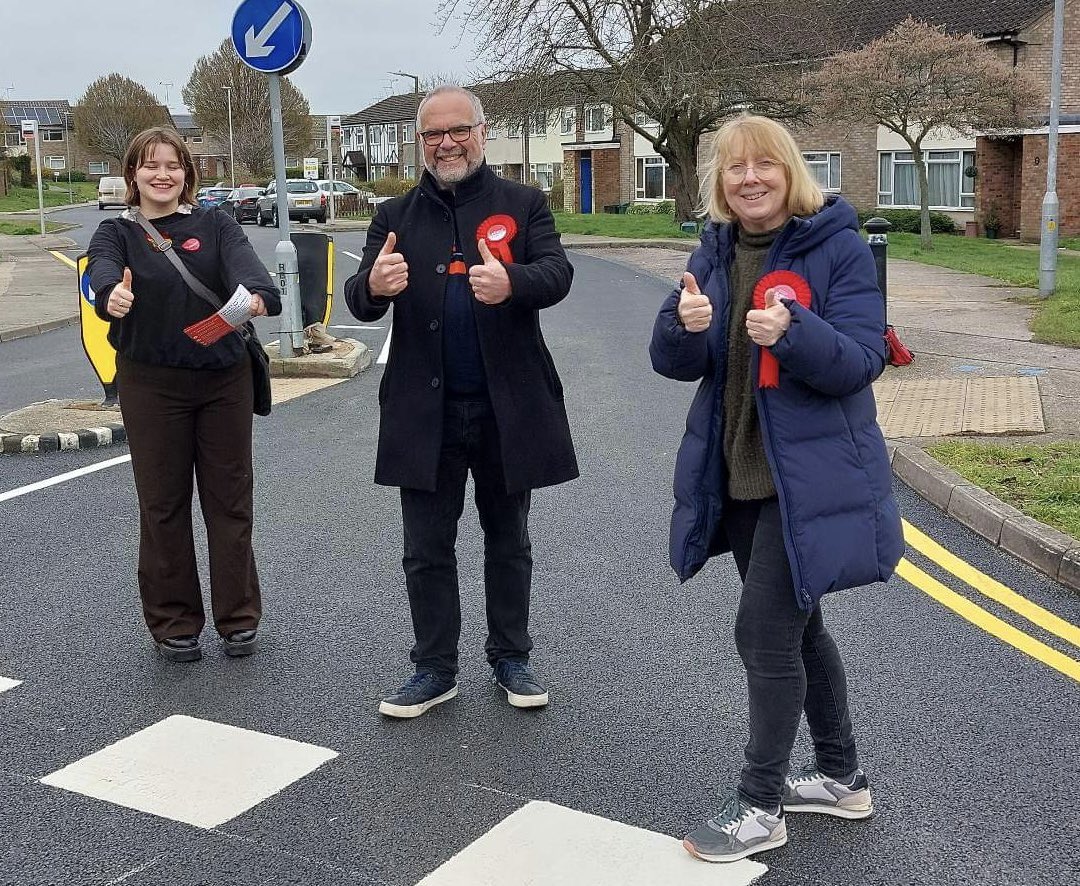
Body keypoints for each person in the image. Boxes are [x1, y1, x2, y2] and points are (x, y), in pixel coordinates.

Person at [649, 115, 904, 863]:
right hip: (738, 473)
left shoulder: (839, 247)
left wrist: (792, 334)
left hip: (807, 480)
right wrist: (683, 324)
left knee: (763, 634)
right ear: (719, 184)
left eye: (764, 164)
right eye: (735, 168)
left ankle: (761, 805)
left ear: (790, 171)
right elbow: (675, 361)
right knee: (801, 629)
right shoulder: (715, 248)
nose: (750, 178)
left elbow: (860, 360)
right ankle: (840, 777)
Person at [344, 85, 577, 719]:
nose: (446, 144)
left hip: (507, 407)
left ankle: (511, 658)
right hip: (425, 412)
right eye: (433, 134)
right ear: (419, 141)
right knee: (425, 548)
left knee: (509, 541)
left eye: (458, 131)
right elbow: (359, 300)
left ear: (481, 132)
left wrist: (514, 281)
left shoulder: (523, 204)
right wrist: (374, 284)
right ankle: (433, 668)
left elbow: (557, 273)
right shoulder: (394, 215)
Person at [88, 127, 281, 663]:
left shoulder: (216, 224)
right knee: (163, 504)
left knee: (229, 502)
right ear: (133, 174)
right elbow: (100, 271)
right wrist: (111, 294)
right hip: (151, 384)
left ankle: (238, 618)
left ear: (187, 174)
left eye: (172, 165)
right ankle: (174, 622)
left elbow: (248, 272)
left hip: (223, 381)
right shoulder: (116, 232)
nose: (162, 174)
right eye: (150, 165)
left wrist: (258, 295)